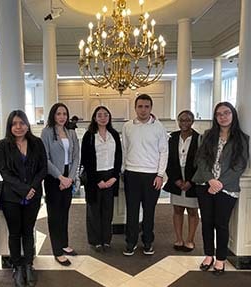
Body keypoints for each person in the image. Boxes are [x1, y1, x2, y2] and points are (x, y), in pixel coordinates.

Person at [192, 102, 249, 275]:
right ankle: (208, 255)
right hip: (205, 186)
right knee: (207, 222)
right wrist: (210, 180)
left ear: (233, 115)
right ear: (215, 117)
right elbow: (200, 160)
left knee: (221, 224)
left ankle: (221, 259)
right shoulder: (207, 135)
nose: (223, 117)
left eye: (226, 113)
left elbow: (240, 165)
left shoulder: (241, 138)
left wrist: (219, 183)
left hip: (227, 188)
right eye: (219, 114)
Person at [0, 110, 47, 287]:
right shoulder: (3, 145)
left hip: (33, 196)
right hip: (12, 197)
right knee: (14, 233)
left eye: (22, 123)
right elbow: (4, 171)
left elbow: (43, 168)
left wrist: (32, 188)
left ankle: (28, 264)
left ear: (27, 125)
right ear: (10, 126)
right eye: (14, 124)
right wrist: (24, 189)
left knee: (28, 231)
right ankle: (17, 266)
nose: (18, 127)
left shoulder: (37, 143)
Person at [121, 94, 168, 256]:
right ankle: (131, 242)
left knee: (149, 211)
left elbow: (164, 152)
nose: (143, 110)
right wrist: (123, 171)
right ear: (135, 108)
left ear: (151, 108)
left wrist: (160, 175)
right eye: (140, 106)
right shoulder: (127, 126)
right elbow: (125, 150)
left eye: (146, 106)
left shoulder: (159, 127)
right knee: (132, 211)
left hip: (151, 176)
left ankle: (148, 242)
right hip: (132, 174)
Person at [41, 103, 80, 266]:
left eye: (65, 113)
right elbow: (45, 158)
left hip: (68, 176)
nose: (62, 117)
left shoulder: (71, 131)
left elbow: (77, 155)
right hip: (53, 178)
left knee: (65, 212)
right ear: (53, 115)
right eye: (59, 114)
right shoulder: (47, 132)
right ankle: (57, 250)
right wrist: (60, 178)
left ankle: (64, 244)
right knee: (55, 215)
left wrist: (69, 178)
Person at [80, 106, 122, 252]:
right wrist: (97, 180)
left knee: (107, 210)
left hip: (110, 176)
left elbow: (119, 157)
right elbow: (86, 160)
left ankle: (106, 240)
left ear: (109, 117)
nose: (103, 117)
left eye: (106, 115)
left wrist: (114, 178)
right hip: (94, 178)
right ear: (94, 118)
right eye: (99, 115)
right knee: (94, 210)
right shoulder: (89, 135)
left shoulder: (114, 134)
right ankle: (96, 240)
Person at [163, 109, 200, 252]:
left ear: (192, 121)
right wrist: (175, 179)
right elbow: (167, 159)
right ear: (178, 121)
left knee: (192, 210)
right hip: (176, 176)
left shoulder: (199, 138)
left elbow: (202, 162)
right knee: (177, 209)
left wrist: (191, 181)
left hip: (193, 178)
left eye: (187, 120)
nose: (184, 123)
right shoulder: (171, 137)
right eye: (181, 120)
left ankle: (190, 240)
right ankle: (178, 239)